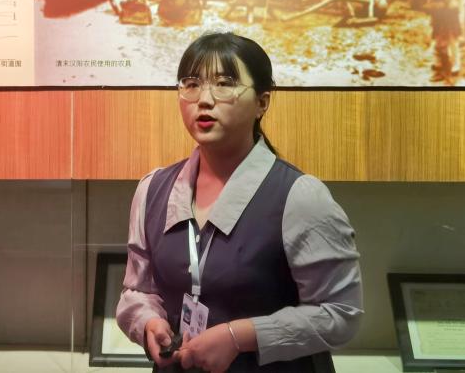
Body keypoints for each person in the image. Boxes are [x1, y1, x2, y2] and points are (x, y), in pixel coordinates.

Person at [116, 33, 363, 372]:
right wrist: (148, 322)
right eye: (192, 84)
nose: (204, 100)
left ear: (262, 102)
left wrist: (239, 336)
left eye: (224, 84)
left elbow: (341, 313)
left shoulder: (300, 196)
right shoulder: (153, 189)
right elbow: (136, 291)